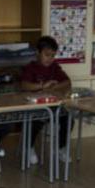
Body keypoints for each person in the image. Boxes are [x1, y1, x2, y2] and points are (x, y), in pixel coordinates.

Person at [19, 36, 72, 165]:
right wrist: (42, 86)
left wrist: (54, 86)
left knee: (68, 118)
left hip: (52, 106)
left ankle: (61, 148)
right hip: (34, 107)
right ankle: (28, 148)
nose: (50, 59)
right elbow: (24, 85)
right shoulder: (30, 68)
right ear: (38, 53)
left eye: (53, 55)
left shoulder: (54, 67)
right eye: (47, 55)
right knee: (35, 121)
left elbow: (67, 82)